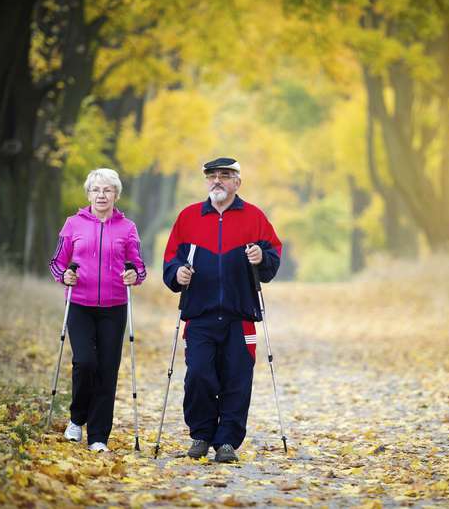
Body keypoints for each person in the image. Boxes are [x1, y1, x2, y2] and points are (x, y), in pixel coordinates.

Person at [163, 157, 282, 463]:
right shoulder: (189, 217)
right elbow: (170, 259)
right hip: (199, 315)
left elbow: (273, 257)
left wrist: (260, 257)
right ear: (206, 181)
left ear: (237, 182)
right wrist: (177, 274)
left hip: (239, 316)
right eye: (212, 176)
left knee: (237, 379)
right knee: (199, 375)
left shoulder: (254, 217)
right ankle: (201, 435)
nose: (218, 180)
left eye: (225, 176)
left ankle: (227, 441)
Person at [49, 168, 146, 452]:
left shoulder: (127, 228)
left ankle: (99, 436)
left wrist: (134, 276)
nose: (101, 195)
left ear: (116, 195)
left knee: (107, 369)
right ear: (88, 194)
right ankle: (77, 420)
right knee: (85, 362)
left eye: (107, 190)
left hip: (115, 307)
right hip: (79, 304)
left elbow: (138, 266)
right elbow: (57, 262)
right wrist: (64, 276)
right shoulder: (72, 224)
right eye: (96, 190)